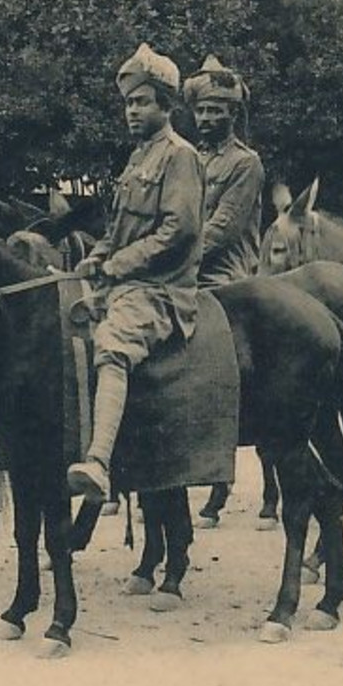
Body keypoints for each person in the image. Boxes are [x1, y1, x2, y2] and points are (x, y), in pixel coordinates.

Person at [67, 43, 205, 502]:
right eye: (128, 102)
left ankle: (100, 463)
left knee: (112, 347)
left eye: (142, 101)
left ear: (166, 106)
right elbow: (119, 228)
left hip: (161, 290)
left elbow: (178, 230)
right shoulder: (137, 159)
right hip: (124, 283)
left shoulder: (179, 156)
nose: (131, 110)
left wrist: (118, 264)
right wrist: (97, 255)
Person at [183, 55, 266, 286]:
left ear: (234, 114)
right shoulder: (190, 158)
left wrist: (171, 258)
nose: (205, 118)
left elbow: (223, 230)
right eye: (200, 111)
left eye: (214, 111)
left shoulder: (246, 163)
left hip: (224, 276)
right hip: (185, 272)